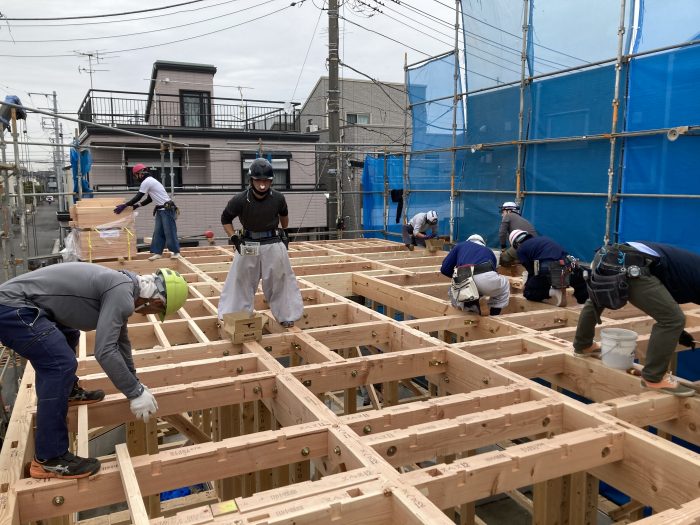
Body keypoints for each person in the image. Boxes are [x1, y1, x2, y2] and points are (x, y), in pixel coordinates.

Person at [0, 263, 189, 479]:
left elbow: (121, 343)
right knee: (60, 364)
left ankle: (68, 392)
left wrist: (135, 383)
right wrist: (134, 392)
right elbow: (105, 351)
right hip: (13, 308)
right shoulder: (122, 293)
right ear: (156, 302)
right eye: (156, 312)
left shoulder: (125, 285)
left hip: (20, 304)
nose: (149, 315)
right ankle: (49, 459)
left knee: (69, 333)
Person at [574, 241, 700, 397]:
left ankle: (583, 345)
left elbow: (666, 301)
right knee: (673, 319)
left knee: (596, 299)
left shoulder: (690, 271)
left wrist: (678, 332)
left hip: (607, 254)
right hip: (632, 267)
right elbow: (670, 314)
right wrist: (675, 327)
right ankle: (654, 378)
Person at [218, 158, 303, 328]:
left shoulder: (278, 198)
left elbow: (284, 216)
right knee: (241, 280)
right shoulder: (240, 199)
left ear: (271, 181)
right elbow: (225, 219)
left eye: (266, 181)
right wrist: (234, 237)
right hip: (249, 243)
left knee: (280, 279)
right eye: (259, 180)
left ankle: (286, 315)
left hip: (272, 241)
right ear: (251, 180)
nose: (262, 185)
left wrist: (284, 232)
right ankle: (237, 315)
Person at [114, 163, 181, 261]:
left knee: (169, 231)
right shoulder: (151, 181)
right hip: (161, 209)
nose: (136, 178)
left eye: (136, 175)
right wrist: (137, 205)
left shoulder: (147, 181)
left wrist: (126, 205)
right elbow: (149, 199)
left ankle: (176, 252)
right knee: (158, 232)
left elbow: (138, 196)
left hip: (167, 209)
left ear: (140, 173)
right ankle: (158, 253)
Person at [509, 229, 588, 307]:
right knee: (579, 283)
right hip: (569, 265)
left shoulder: (521, 249)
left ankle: (554, 291)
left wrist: (528, 284)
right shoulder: (543, 239)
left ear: (516, 244)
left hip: (550, 270)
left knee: (529, 292)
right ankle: (584, 304)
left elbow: (532, 271)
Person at [440, 234, 510, 315]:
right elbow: (493, 273)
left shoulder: (460, 245)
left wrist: (457, 278)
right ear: (483, 243)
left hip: (464, 278)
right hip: (485, 278)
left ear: (468, 240)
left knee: (453, 292)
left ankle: (470, 305)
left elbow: (444, 269)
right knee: (504, 284)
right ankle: (494, 314)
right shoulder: (489, 251)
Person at [498, 201, 538, 266]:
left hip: (525, 246)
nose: (502, 215)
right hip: (534, 248)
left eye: (503, 212)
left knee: (504, 258)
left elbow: (502, 233)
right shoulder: (521, 219)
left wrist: (503, 248)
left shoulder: (508, 216)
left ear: (509, 211)